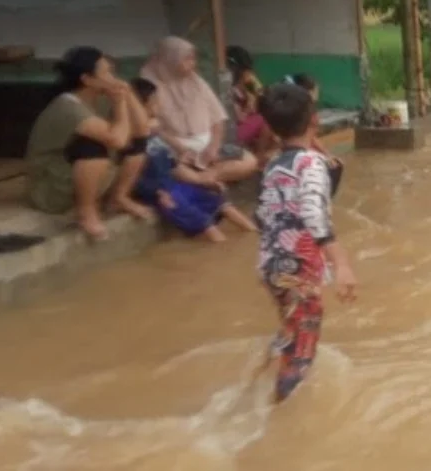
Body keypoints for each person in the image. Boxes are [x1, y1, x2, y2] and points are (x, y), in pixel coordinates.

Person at [254, 83, 357, 404]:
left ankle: (261, 373)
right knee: (302, 353)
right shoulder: (312, 164)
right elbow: (313, 212)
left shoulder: (273, 165)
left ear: (271, 128)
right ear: (314, 120)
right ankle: (275, 414)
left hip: (271, 267)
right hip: (299, 270)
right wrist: (340, 263)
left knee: (291, 325)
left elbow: (261, 214)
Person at [24, 46, 152, 240]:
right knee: (92, 147)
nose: (113, 78)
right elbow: (116, 140)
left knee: (138, 144)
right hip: (51, 188)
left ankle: (119, 197)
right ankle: (86, 212)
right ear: (87, 79)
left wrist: (127, 93)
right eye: (107, 72)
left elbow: (142, 130)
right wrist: (119, 105)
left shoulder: (99, 98)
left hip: (78, 177)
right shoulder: (68, 107)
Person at [130, 78, 257, 242]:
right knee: (205, 223)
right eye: (154, 103)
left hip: (175, 186)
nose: (159, 107)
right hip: (162, 193)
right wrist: (156, 192)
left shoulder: (156, 135)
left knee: (220, 203)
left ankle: (254, 233)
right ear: (139, 108)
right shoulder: (132, 141)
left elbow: (172, 166)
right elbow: (133, 178)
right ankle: (221, 246)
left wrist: (202, 180)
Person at [141, 36, 259, 183]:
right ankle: (202, 180)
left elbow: (217, 118)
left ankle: (204, 179)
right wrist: (179, 147)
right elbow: (150, 128)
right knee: (166, 166)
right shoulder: (147, 86)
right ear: (170, 59)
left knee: (249, 162)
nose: (193, 64)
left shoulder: (196, 81)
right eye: (187, 59)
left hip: (205, 146)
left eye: (193, 59)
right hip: (173, 148)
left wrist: (213, 147)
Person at [286, 73, 344, 194]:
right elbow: (309, 138)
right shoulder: (306, 112)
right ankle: (323, 199)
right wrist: (325, 156)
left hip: (297, 149)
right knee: (334, 167)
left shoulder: (297, 108)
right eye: (316, 91)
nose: (317, 94)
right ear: (308, 92)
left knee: (334, 164)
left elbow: (312, 138)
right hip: (297, 150)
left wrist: (327, 155)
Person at [227, 45, 270, 155]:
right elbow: (240, 118)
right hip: (231, 133)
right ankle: (259, 157)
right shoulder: (229, 89)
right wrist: (250, 103)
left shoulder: (247, 84)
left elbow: (263, 96)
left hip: (239, 126)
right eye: (246, 70)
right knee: (266, 121)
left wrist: (252, 95)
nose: (250, 74)